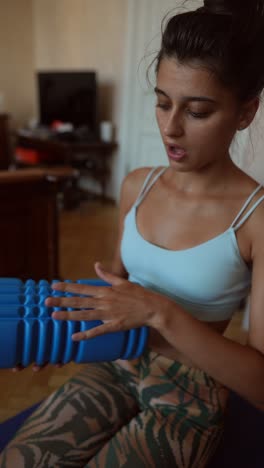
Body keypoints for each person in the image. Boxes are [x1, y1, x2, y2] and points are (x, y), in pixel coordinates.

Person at [1, 0, 264, 466]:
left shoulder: (255, 217)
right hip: (115, 362)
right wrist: (52, 333)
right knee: (18, 458)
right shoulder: (136, 185)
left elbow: (260, 382)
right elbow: (112, 291)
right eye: (162, 102)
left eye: (197, 111)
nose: (170, 127)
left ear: (246, 112)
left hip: (190, 387)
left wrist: (160, 313)